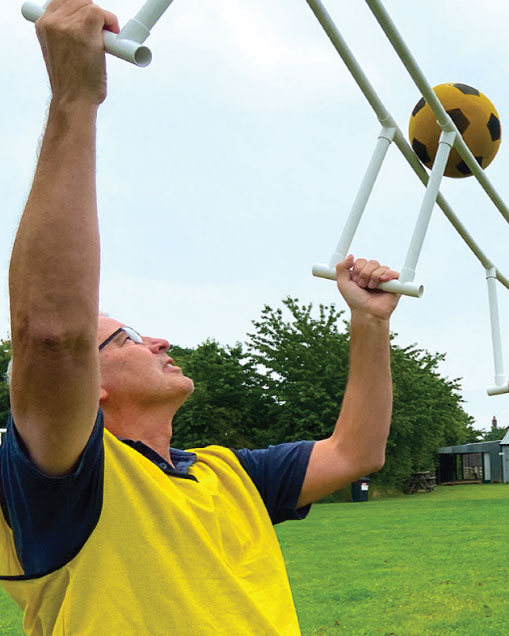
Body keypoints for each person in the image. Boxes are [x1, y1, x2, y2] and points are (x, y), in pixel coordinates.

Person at [1, 2, 401, 633]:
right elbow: (52, 334)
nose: (159, 340)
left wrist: (370, 325)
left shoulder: (226, 472)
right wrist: (74, 101)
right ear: (91, 384)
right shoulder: (63, 483)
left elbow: (357, 450)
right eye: (127, 337)